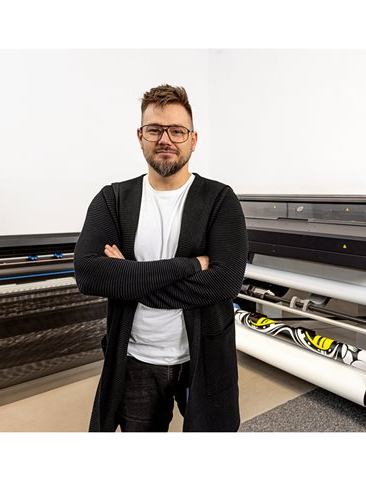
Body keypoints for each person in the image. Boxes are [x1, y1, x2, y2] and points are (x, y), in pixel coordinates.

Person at [74, 84, 248, 432]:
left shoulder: (220, 199)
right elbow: (89, 274)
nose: (165, 139)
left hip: (203, 356)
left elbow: (225, 282)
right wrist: (190, 265)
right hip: (137, 359)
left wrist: (130, 277)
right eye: (154, 130)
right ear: (140, 136)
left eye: (177, 131)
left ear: (193, 139)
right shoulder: (113, 199)